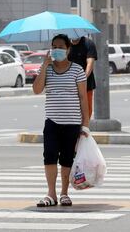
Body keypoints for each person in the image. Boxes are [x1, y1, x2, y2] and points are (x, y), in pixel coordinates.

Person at [33, 34, 90, 207]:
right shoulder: (47, 69)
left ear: (68, 49)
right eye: (54, 46)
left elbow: (82, 98)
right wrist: (44, 65)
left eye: (60, 47)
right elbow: (36, 90)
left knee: (66, 159)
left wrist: (85, 125)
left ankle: (64, 193)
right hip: (52, 121)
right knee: (49, 156)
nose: (56, 50)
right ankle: (51, 194)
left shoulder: (77, 70)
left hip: (72, 122)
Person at [68, 36, 97, 118]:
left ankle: (84, 129)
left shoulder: (88, 44)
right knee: (70, 112)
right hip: (69, 85)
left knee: (86, 112)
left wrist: (82, 79)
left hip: (86, 85)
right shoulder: (66, 44)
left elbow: (90, 64)